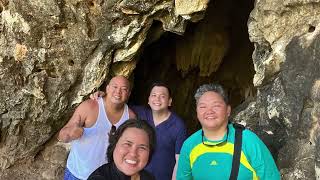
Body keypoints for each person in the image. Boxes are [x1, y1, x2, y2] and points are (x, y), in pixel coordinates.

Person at [176, 83, 280, 180]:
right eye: (203, 107)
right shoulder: (189, 145)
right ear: (197, 112)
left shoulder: (248, 141)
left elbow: (271, 177)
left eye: (216, 106)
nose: (209, 111)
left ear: (228, 111)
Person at [91, 82, 187, 180]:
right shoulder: (138, 113)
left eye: (162, 96)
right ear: (148, 100)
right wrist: (104, 97)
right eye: (154, 95)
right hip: (132, 174)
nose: (157, 99)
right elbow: (116, 106)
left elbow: (179, 161)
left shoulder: (178, 125)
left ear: (170, 101)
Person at [58, 75, 136, 180]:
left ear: (129, 94)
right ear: (107, 88)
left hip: (104, 176)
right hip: (77, 174)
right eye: (115, 87)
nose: (118, 92)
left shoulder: (130, 117)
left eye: (124, 89)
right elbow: (62, 136)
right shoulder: (89, 106)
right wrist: (69, 134)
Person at [88, 119, 156, 180]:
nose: (133, 153)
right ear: (114, 145)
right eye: (127, 144)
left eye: (142, 148)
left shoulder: (148, 177)